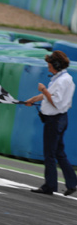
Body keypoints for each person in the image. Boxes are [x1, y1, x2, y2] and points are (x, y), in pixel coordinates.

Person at [25, 50, 77, 196]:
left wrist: (43, 89)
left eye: (49, 65)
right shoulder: (64, 78)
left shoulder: (61, 81)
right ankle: (72, 182)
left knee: (49, 154)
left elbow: (56, 103)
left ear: (56, 65)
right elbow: (51, 96)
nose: (48, 67)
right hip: (61, 119)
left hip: (54, 120)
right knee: (59, 153)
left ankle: (50, 186)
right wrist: (34, 99)